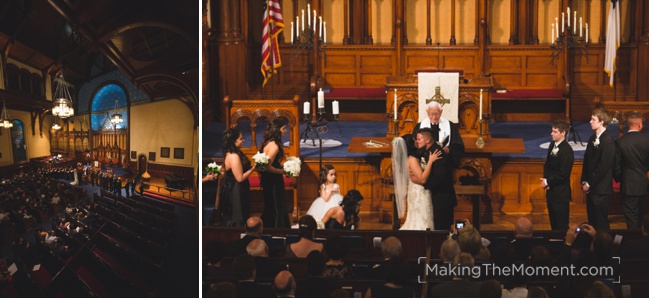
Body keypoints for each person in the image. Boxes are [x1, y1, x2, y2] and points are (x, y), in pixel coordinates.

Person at [392, 134, 441, 230]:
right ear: (411, 144)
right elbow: (422, 179)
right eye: (415, 140)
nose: (417, 141)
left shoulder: (410, 158)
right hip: (420, 193)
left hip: (415, 190)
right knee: (422, 220)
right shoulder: (412, 159)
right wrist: (431, 161)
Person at [613, 111, 649, 229]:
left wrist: (619, 178)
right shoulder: (646, 141)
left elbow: (616, 166)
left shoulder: (620, 142)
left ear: (629, 125)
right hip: (643, 184)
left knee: (630, 216)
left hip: (628, 185)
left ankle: (633, 240)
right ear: (640, 125)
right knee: (642, 215)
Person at [581, 109, 615, 230]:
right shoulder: (592, 138)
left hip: (600, 189)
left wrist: (589, 183)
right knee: (592, 222)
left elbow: (603, 167)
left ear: (601, 122)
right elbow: (586, 161)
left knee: (601, 223)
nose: (590, 122)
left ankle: (603, 246)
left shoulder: (608, 142)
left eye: (593, 119)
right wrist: (584, 180)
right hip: (591, 188)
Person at [417, 128, 456, 230]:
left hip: (442, 198)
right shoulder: (428, 151)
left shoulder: (437, 153)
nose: (417, 141)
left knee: (441, 229)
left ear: (428, 140)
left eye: (419, 139)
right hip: (436, 197)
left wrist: (423, 183)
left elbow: (440, 178)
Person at [541, 119, 574, 231]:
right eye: (552, 131)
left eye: (555, 131)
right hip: (551, 192)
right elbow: (547, 165)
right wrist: (546, 181)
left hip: (560, 194)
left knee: (561, 225)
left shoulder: (567, 151)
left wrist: (548, 182)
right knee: (553, 224)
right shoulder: (552, 145)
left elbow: (563, 174)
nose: (551, 133)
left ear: (563, 133)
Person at [412, 101, 465, 168]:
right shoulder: (419, 126)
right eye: (431, 114)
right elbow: (414, 146)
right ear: (427, 112)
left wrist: (449, 150)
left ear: (441, 112)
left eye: (437, 114)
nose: (434, 117)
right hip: (425, 163)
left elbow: (459, 147)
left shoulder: (450, 126)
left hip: (444, 163)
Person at [221, 128, 256, 227]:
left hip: (237, 188)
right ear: (233, 141)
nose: (243, 140)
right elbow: (239, 178)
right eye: (241, 138)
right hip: (236, 190)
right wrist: (253, 169)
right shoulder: (234, 156)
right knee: (238, 215)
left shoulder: (233, 152)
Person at [260, 119, 291, 228]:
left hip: (269, 179)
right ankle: (278, 229)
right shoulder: (274, 146)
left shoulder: (269, 142)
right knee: (277, 206)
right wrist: (282, 171)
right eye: (283, 128)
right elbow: (267, 167)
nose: (285, 131)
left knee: (271, 205)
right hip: (273, 180)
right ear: (277, 130)